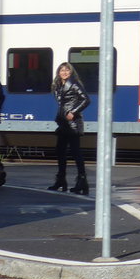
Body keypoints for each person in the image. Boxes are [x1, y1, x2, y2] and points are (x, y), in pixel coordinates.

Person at [49, 62, 91, 195]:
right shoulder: (58, 86)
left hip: (73, 124)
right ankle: (61, 180)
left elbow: (86, 99)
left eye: (67, 70)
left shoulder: (73, 84)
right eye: (62, 70)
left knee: (75, 152)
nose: (64, 72)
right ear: (58, 72)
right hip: (63, 124)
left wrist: (73, 111)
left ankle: (82, 181)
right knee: (60, 151)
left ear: (71, 72)